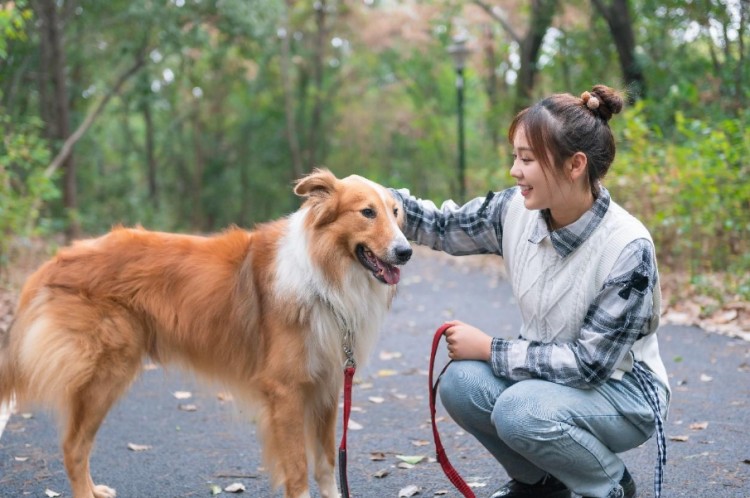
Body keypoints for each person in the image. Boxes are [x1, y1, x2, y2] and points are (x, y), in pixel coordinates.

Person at [391, 85, 670, 498]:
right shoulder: (516, 211)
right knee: (461, 384)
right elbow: (446, 228)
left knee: (520, 411)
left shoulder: (627, 248)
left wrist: (490, 349)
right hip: (546, 382)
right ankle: (542, 483)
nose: (514, 172)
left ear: (575, 165)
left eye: (527, 159)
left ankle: (609, 485)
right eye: (515, 157)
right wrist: (382, 200)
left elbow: (589, 366)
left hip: (623, 391)